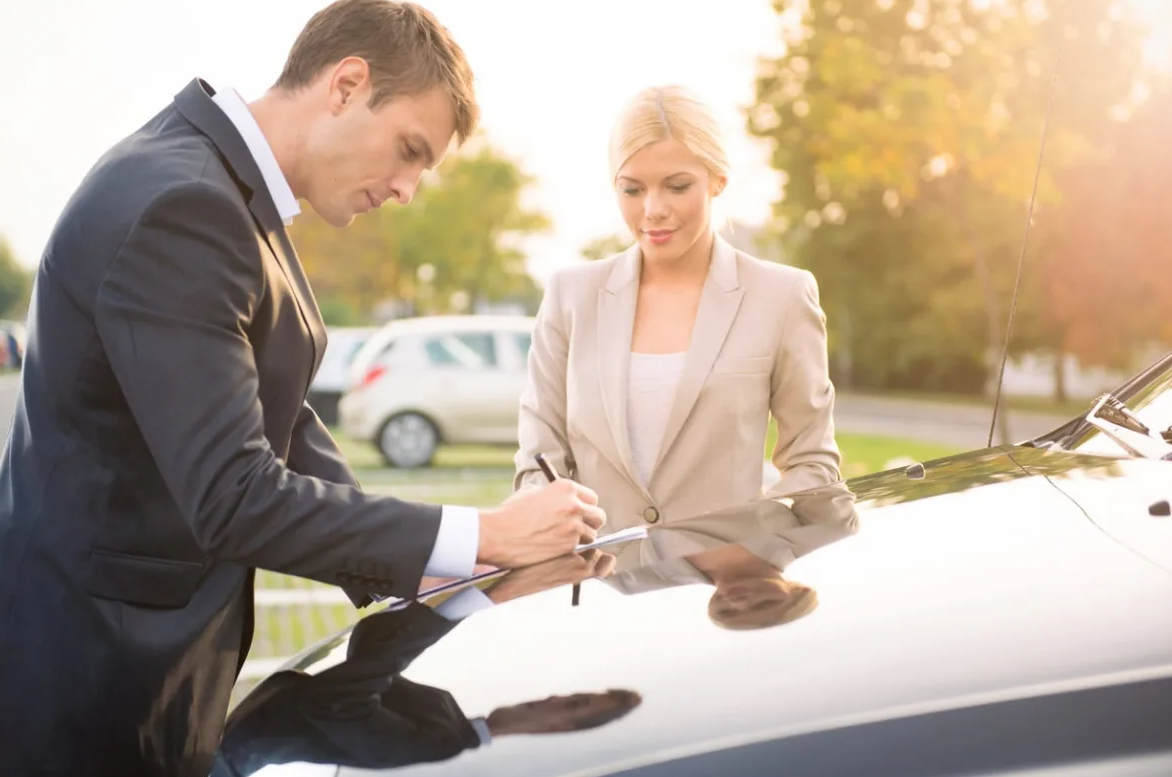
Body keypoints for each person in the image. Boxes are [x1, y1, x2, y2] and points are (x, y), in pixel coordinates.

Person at [0, 1, 605, 775]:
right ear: (347, 85)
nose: (407, 190)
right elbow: (234, 495)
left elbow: (284, 436)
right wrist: (487, 533)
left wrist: (478, 573)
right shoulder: (180, 204)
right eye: (409, 151)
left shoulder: (221, 193)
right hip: (82, 707)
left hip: (138, 694)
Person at [515, 84, 841, 533]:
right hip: (596, 590)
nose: (653, 210)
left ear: (717, 180)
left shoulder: (782, 296)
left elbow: (814, 466)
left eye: (677, 186)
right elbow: (537, 468)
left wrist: (761, 547)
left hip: (727, 590)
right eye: (632, 189)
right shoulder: (569, 297)